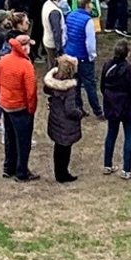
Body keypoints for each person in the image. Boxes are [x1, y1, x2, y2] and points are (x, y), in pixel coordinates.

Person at [102, 38, 131, 178]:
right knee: (129, 137)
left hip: (112, 105)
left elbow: (103, 86)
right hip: (127, 106)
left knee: (111, 133)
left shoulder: (107, 66)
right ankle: (126, 170)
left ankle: (107, 165)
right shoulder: (130, 71)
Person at [65, 0, 105, 117]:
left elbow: (65, 34)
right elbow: (90, 42)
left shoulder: (70, 15)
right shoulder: (88, 21)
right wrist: (92, 55)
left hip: (71, 54)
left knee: (75, 83)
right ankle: (97, 111)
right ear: (87, 5)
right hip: (83, 56)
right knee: (90, 85)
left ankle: (78, 107)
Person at [45, 52, 83, 182]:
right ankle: (63, 174)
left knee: (58, 148)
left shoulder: (53, 82)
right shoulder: (70, 89)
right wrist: (80, 114)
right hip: (66, 125)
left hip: (55, 120)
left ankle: (58, 172)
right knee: (65, 150)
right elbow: (70, 109)